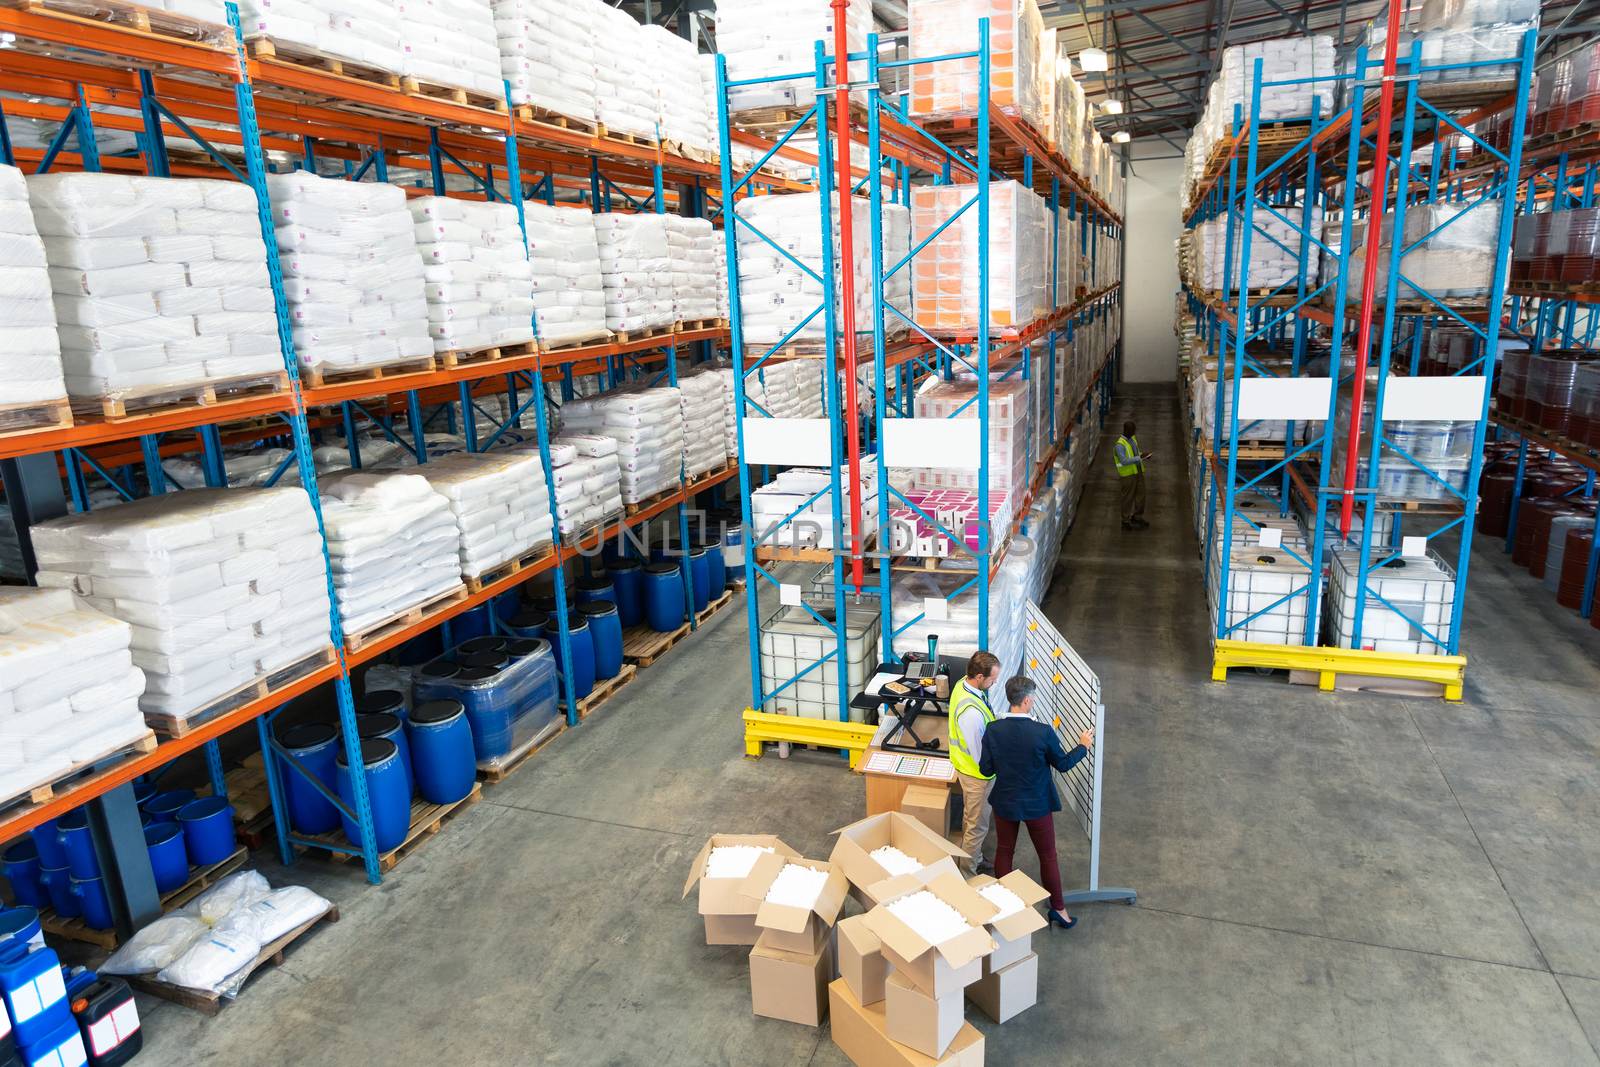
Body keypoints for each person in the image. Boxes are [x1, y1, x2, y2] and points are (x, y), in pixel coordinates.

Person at [979, 675, 1095, 930]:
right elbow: (1063, 765)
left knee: (1004, 851)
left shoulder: (993, 730)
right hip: (1037, 804)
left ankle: (1005, 908)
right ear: (1028, 700)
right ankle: (1059, 910)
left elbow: (986, 769)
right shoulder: (1042, 732)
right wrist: (1082, 746)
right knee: (1047, 856)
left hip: (1006, 802)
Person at [947, 650, 1003, 877]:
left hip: (966, 768)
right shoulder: (970, 713)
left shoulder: (963, 684)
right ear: (979, 677)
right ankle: (968, 874)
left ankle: (975, 857)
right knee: (976, 827)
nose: (995, 682)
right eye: (992, 678)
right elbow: (980, 754)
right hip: (976, 775)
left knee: (971, 819)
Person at [1113, 419, 1151, 531]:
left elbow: (1134, 453)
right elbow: (1124, 460)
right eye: (1132, 430)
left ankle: (1137, 516)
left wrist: (1143, 455)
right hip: (1128, 475)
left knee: (1141, 495)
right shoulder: (1119, 445)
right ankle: (1125, 520)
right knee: (1128, 498)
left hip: (1138, 472)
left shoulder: (1132, 439)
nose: (1134, 432)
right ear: (1126, 430)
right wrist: (1140, 457)